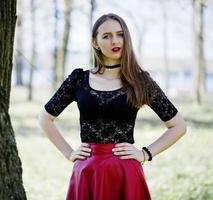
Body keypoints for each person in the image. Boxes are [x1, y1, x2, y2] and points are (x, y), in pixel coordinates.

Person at [38, 13, 186, 200]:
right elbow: (45, 118)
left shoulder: (140, 81)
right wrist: (69, 153)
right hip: (88, 171)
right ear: (95, 43)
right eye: (106, 36)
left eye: (120, 34)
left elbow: (178, 126)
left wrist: (145, 153)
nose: (115, 40)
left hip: (125, 171)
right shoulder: (79, 79)